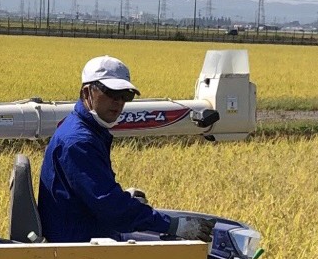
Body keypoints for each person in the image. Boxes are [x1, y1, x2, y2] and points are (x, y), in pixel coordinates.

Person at [37, 55, 215, 243]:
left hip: (84, 232)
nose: (119, 102)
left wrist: (123, 198)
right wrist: (174, 225)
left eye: (126, 95)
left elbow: (96, 194)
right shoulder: (79, 142)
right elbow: (110, 207)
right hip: (79, 246)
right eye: (111, 93)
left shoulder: (86, 129)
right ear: (86, 92)